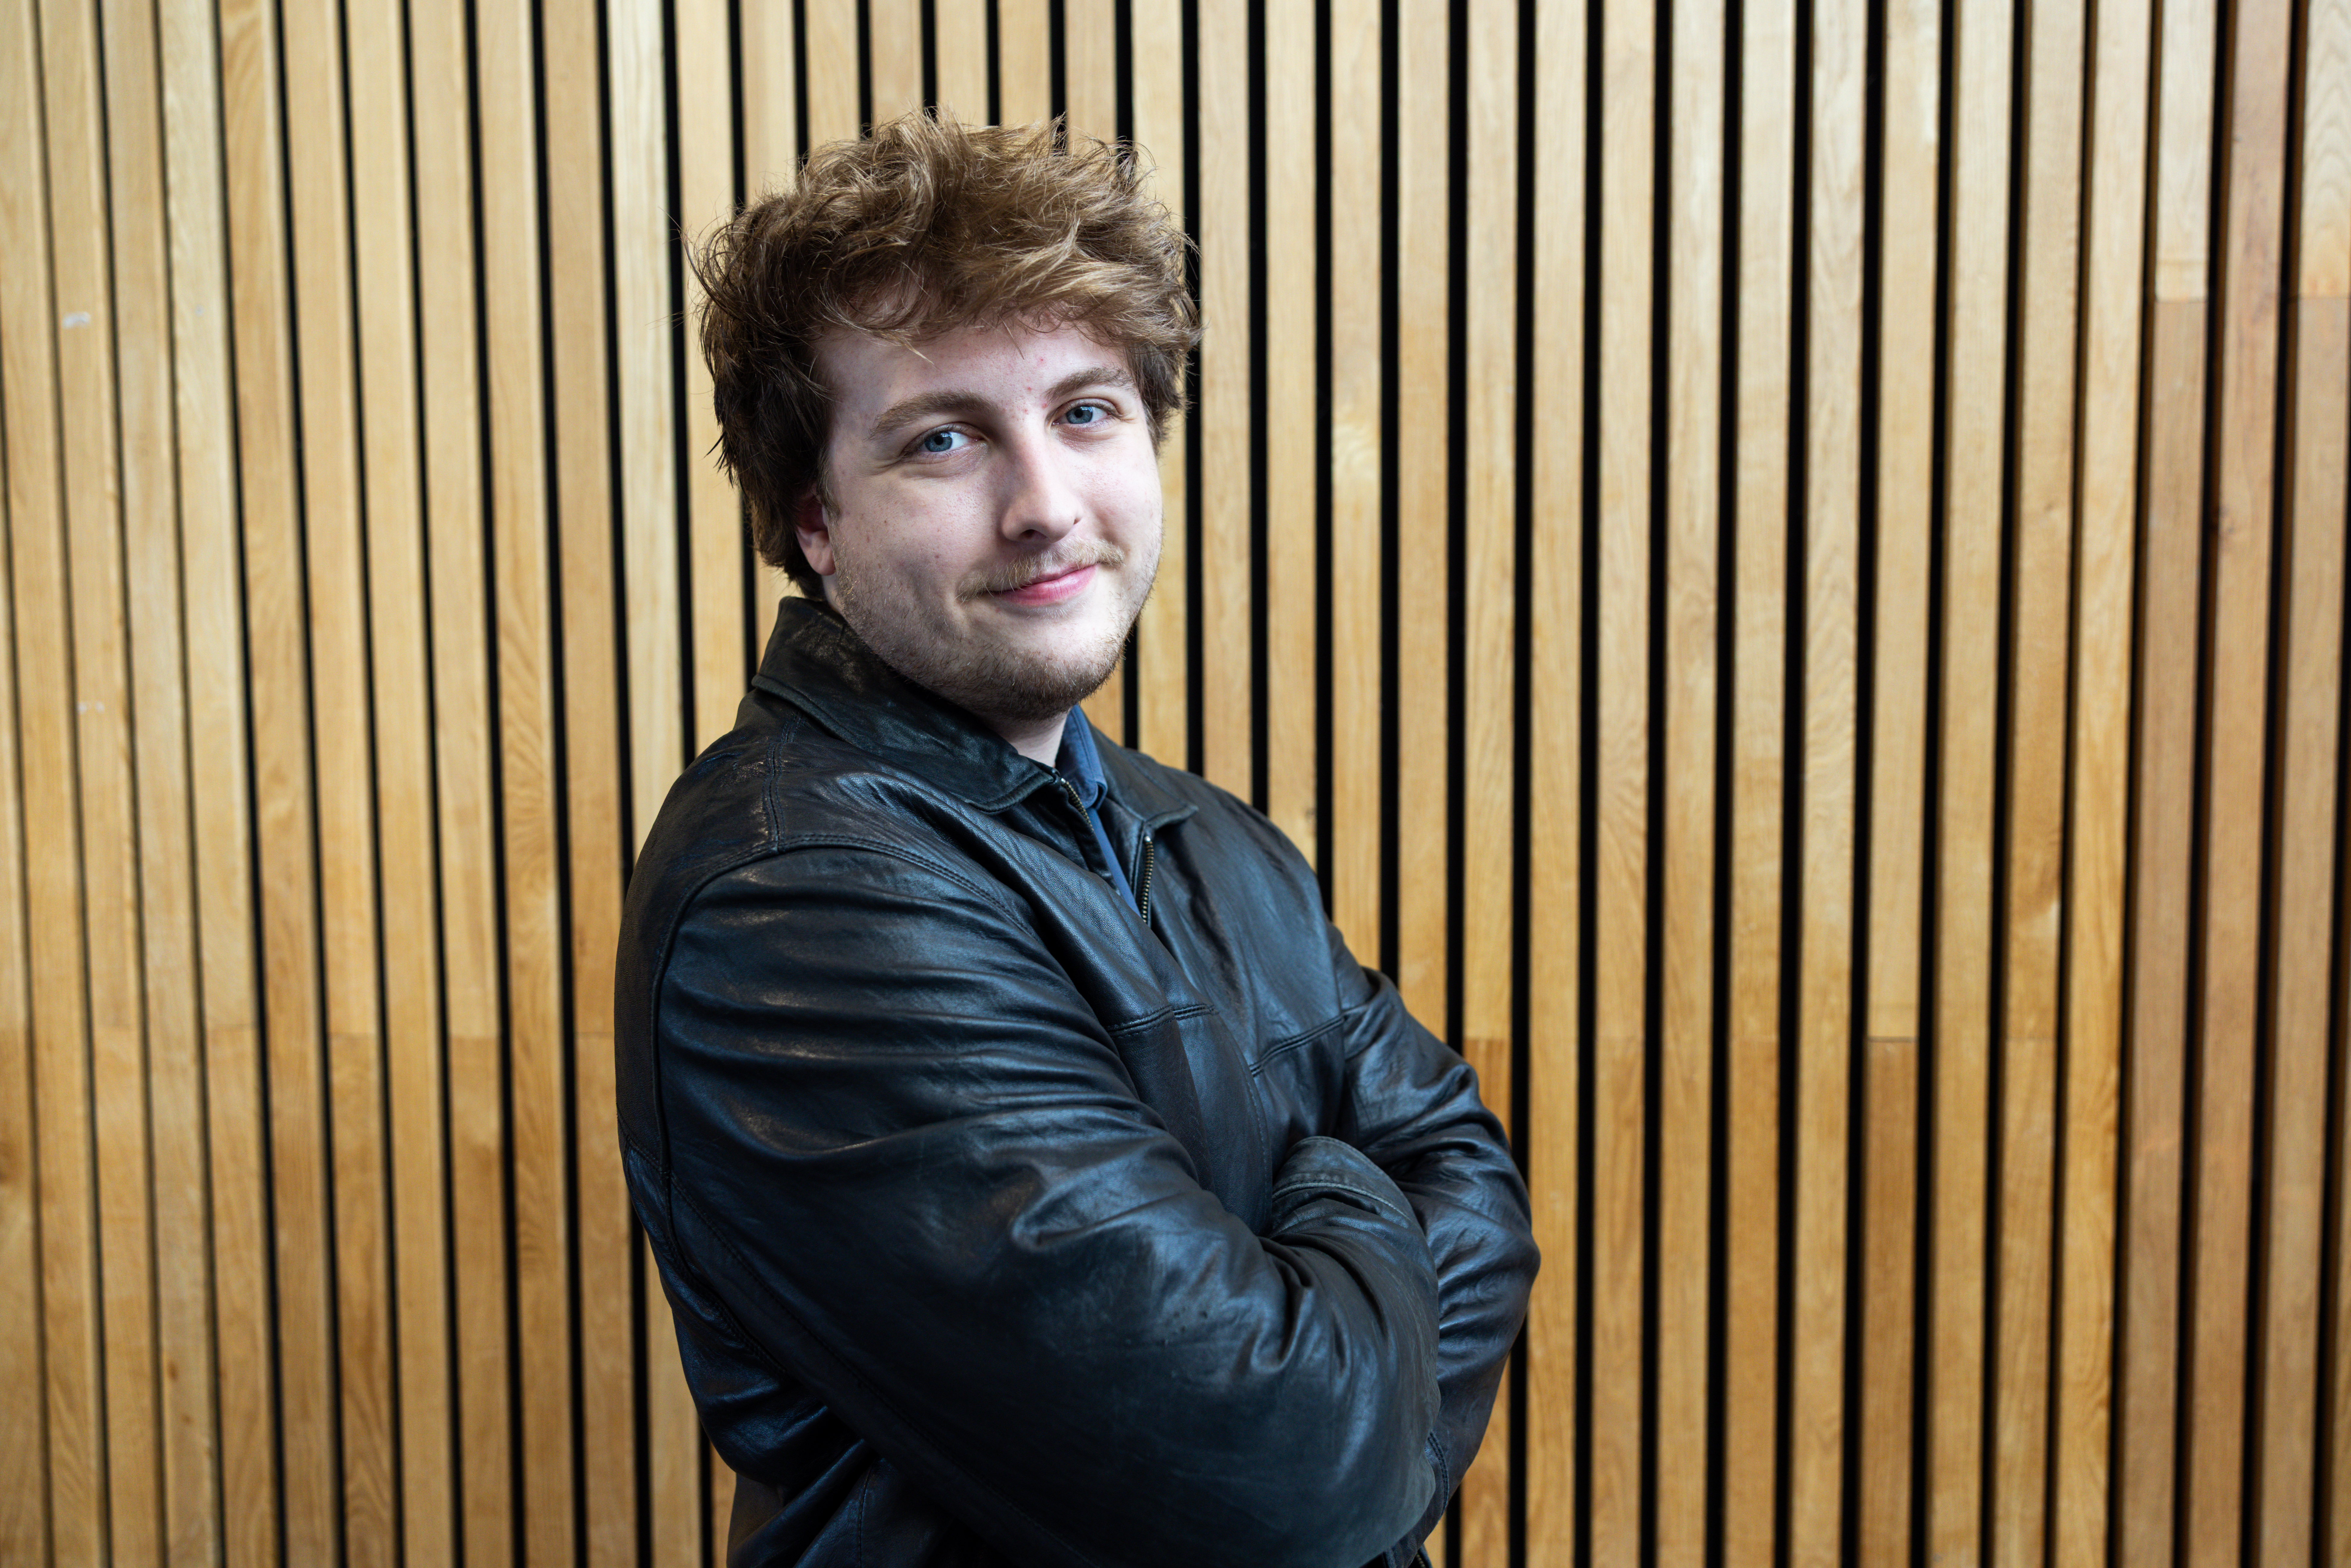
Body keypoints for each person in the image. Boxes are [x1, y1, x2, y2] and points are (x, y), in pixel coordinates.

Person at [615, 113, 1537, 1568]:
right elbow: (1282, 1470)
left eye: (1086, 414)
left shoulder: (1207, 837)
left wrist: (1334, 1347)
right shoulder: (798, 897)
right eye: (944, 438)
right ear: (814, 520)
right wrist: (1344, 1190)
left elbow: (1471, 1170)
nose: (1044, 508)